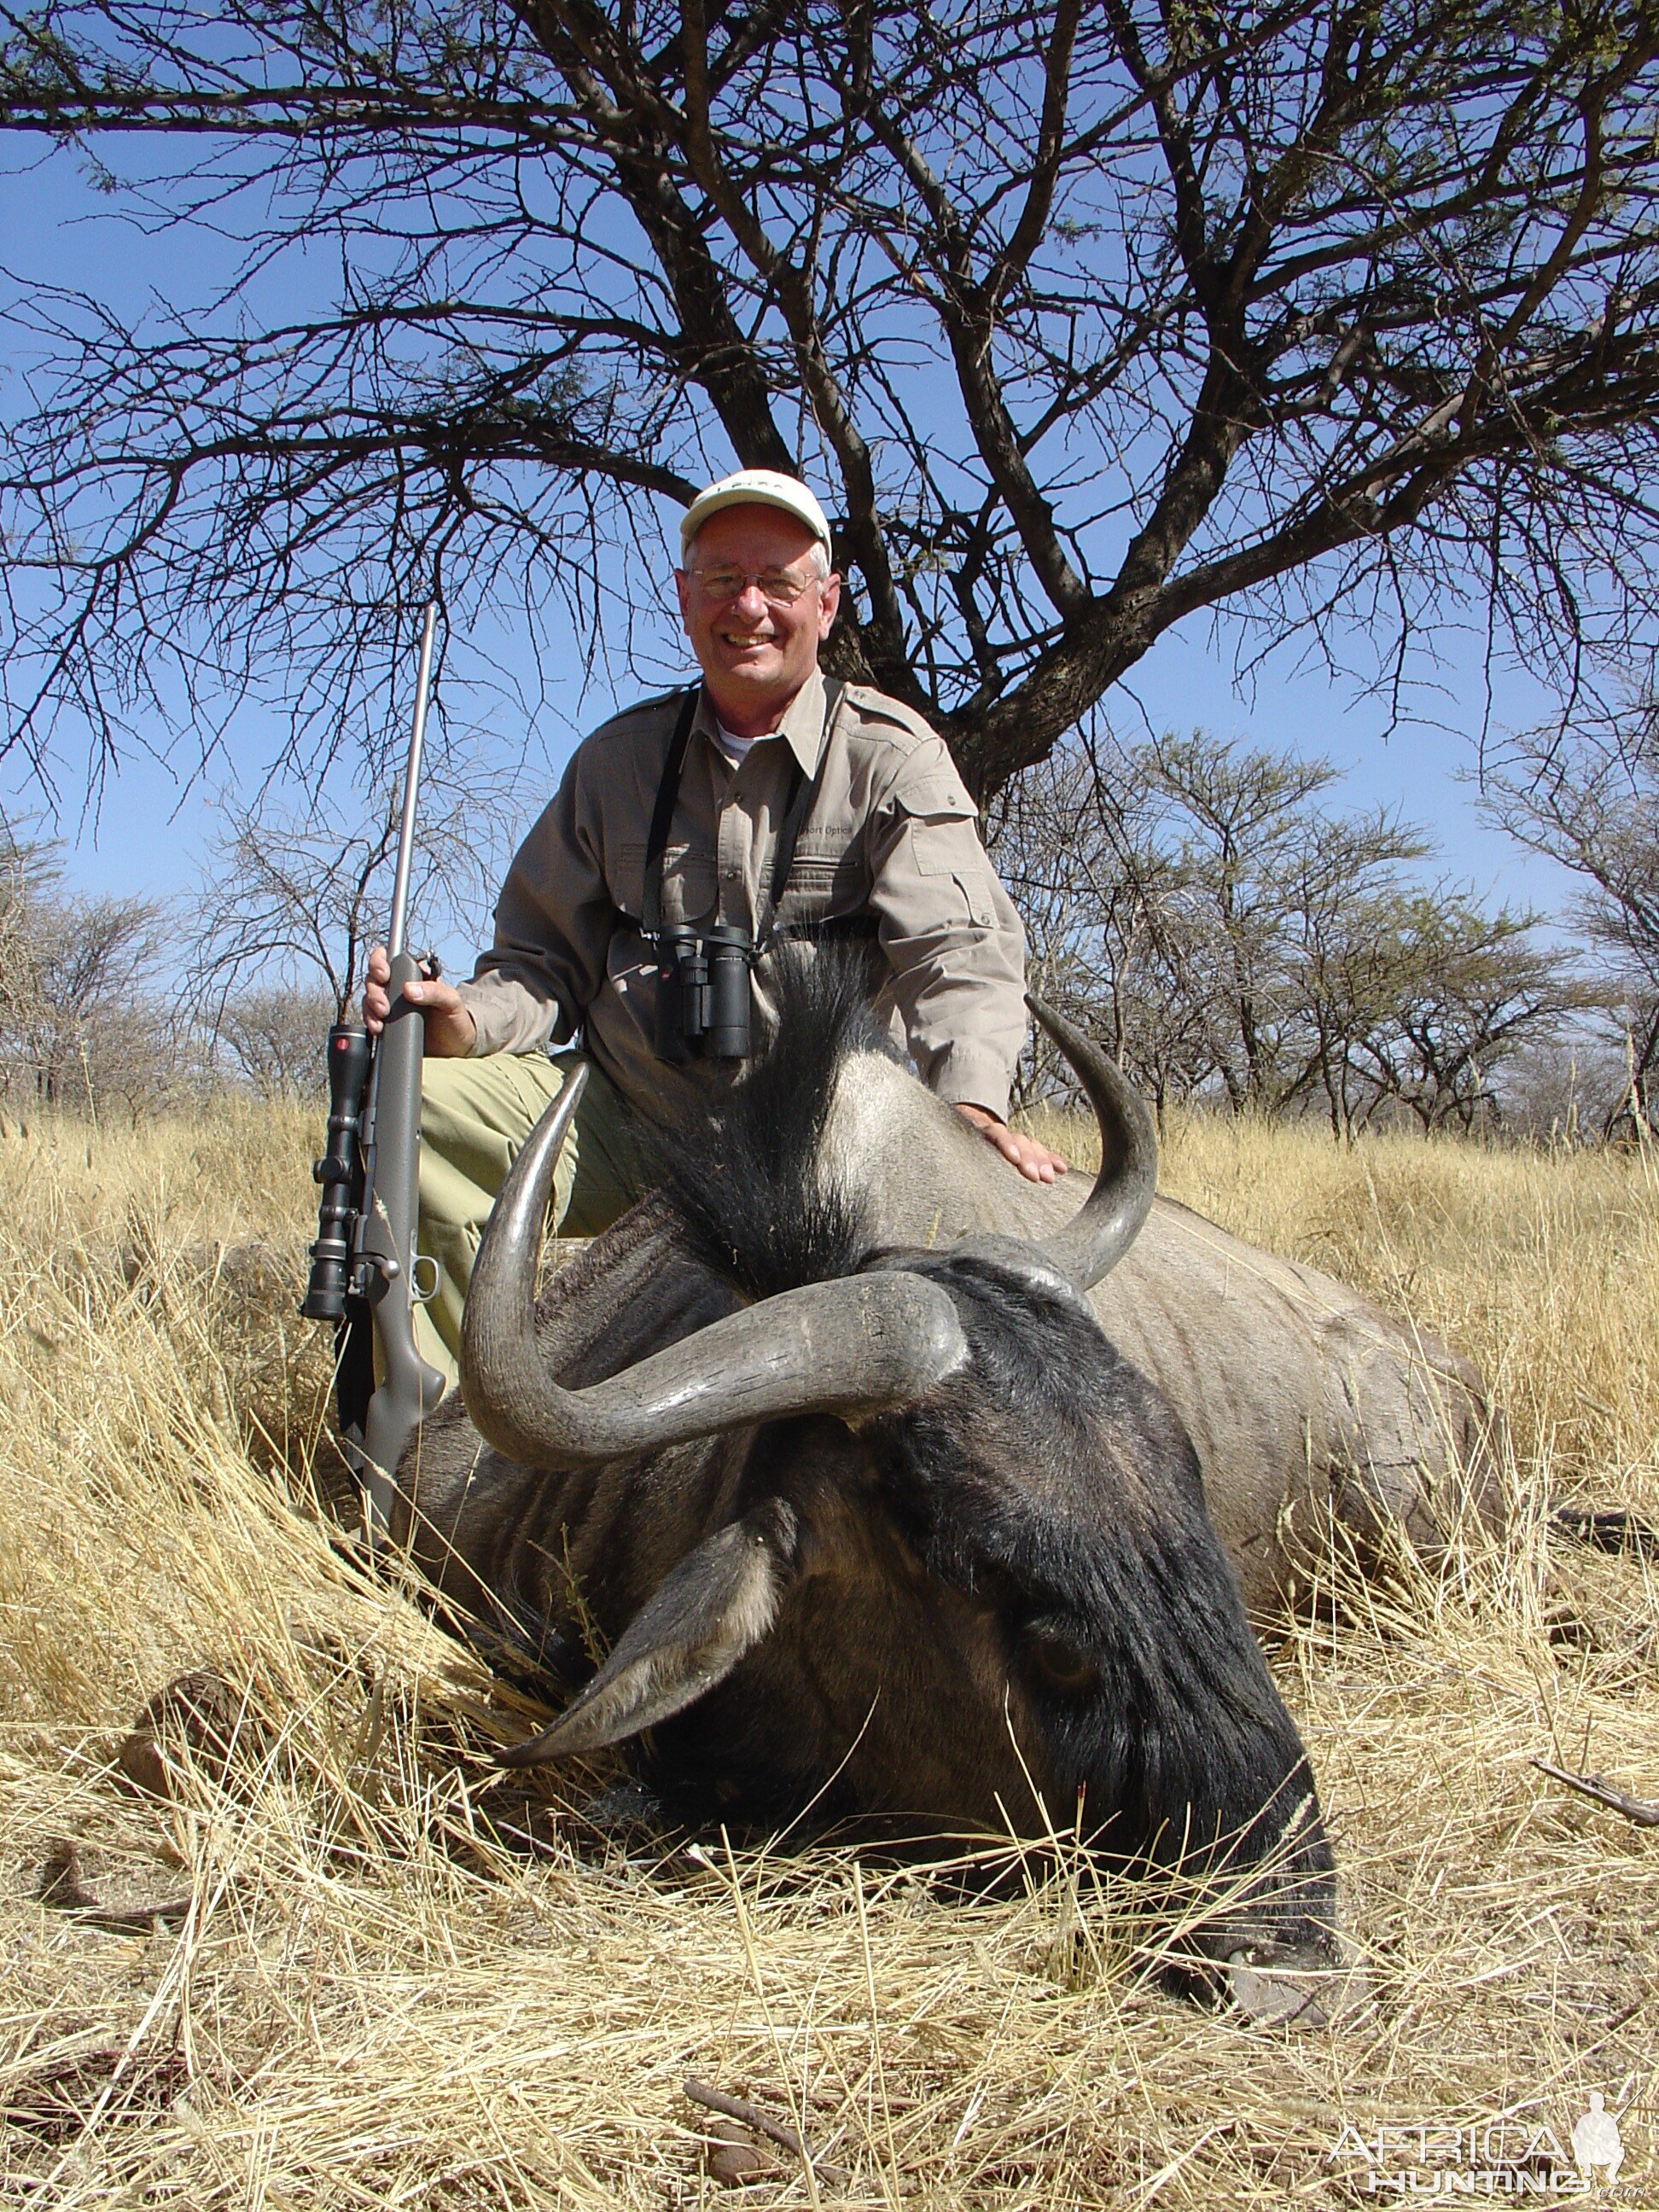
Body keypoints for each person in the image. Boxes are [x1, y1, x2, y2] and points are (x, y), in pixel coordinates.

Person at [365, 468, 1067, 1381]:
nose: (751, 607)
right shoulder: (615, 761)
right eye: (723, 580)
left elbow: (961, 956)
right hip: (635, 1116)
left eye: (778, 581)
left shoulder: (895, 758)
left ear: (826, 599)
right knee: (408, 1111)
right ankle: (454, 1445)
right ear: (685, 598)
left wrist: (968, 1105)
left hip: (823, 1146)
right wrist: (465, 1020)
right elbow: (537, 965)